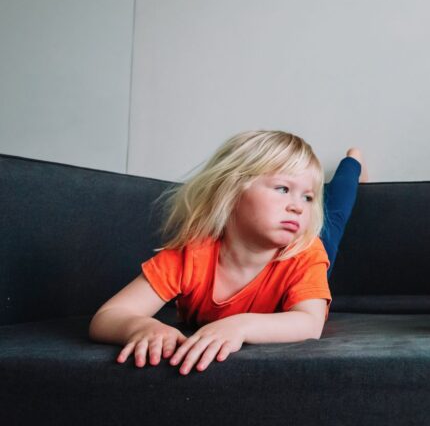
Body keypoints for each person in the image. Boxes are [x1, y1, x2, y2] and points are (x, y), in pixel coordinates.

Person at [89, 130, 362, 374]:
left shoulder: (307, 252)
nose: (299, 207)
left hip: (301, 248)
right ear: (231, 192)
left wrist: (240, 326)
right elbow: (108, 316)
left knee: (334, 216)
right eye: (283, 189)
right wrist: (142, 328)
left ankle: (353, 162)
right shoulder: (192, 256)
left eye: (308, 197)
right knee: (333, 215)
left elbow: (309, 323)